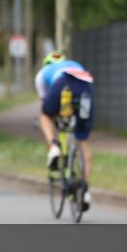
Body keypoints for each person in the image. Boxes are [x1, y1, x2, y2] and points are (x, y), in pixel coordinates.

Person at [34, 50, 95, 211]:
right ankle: (86, 190)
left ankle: (53, 146)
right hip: (86, 86)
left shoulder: (42, 73)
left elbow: (46, 102)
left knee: (44, 116)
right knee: (83, 140)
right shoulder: (75, 64)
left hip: (63, 84)